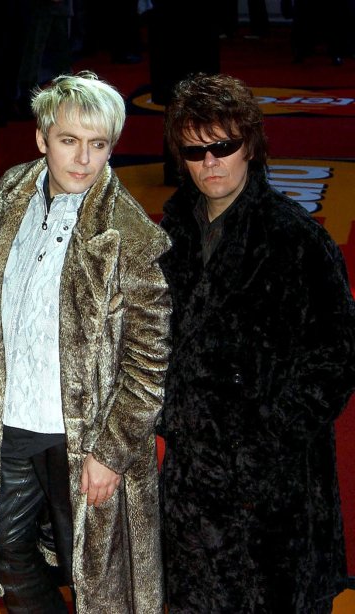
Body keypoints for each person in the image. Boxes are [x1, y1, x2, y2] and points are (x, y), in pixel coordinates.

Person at [159, 73, 355, 613]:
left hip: (274, 494)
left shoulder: (296, 239)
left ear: (251, 145)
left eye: (224, 146)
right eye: (196, 151)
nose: (211, 163)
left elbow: (337, 359)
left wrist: (263, 439)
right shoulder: (168, 233)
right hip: (192, 485)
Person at [0, 72, 170, 613]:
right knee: (1, 551)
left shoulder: (129, 236)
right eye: (68, 141)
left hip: (82, 436)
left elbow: (148, 362)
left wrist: (110, 452)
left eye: (99, 144)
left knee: (95, 579)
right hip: (11, 419)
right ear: (42, 138)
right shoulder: (12, 191)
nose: (83, 159)